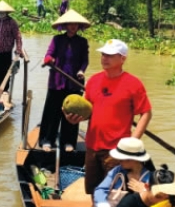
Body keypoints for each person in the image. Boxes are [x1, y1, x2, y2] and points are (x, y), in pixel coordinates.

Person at [64, 39, 152, 196]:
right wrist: (73, 119)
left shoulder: (133, 84)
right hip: (92, 146)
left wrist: (133, 142)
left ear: (123, 59)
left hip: (116, 150)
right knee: (93, 191)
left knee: (114, 193)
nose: (105, 58)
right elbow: (87, 112)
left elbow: (146, 113)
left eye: (110, 55)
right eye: (103, 54)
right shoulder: (93, 81)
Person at [38, 9, 90, 152]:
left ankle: (69, 142)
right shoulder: (57, 39)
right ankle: (47, 140)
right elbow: (49, 54)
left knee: (73, 112)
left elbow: (85, 61)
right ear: (65, 25)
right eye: (70, 24)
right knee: (52, 112)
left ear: (79, 26)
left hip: (74, 82)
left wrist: (81, 71)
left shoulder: (82, 42)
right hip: (57, 81)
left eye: (75, 24)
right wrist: (50, 60)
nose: (73, 26)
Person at [93, 137, 153, 207]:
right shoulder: (117, 171)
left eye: (123, 159)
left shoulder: (150, 177)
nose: (119, 161)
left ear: (135, 160)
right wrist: (103, 206)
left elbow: (158, 201)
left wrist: (144, 192)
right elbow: (100, 189)